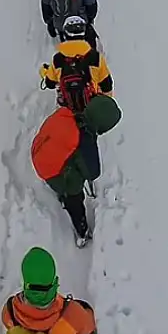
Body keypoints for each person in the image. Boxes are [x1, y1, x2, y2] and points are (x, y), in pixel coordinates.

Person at [31, 90, 121, 247]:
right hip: (48, 169)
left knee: (72, 158)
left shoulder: (67, 114)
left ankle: (62, 187)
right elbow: (93, 172)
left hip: (38, 151)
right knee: (74, 189)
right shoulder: (84, 138)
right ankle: (81, 228)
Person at [40, 16, 113, 112]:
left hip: (67, 110)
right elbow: (107, 85)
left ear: (66, 34)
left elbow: (50, 83)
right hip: (90, 109)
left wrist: (44, 71)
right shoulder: (95, 57)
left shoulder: (58, 59)